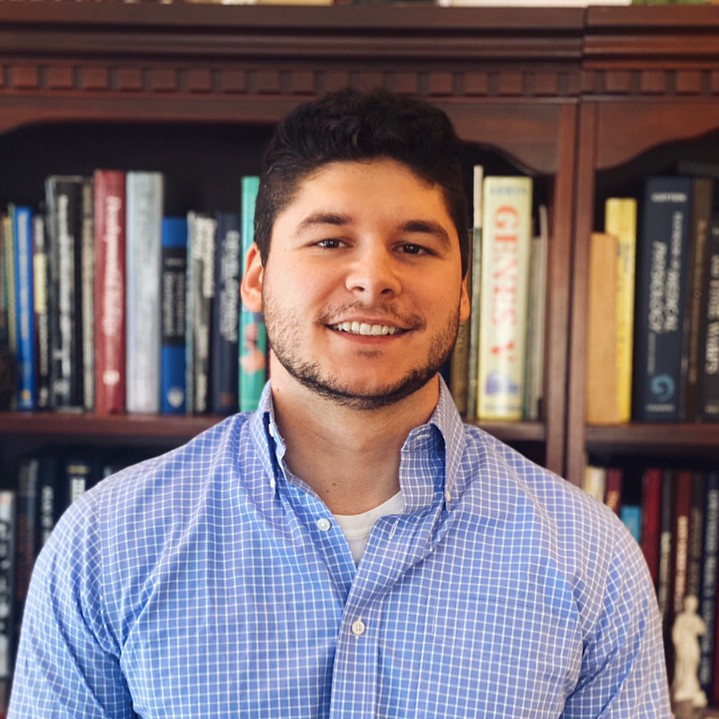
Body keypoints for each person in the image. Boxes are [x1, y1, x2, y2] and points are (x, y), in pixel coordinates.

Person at [9, 88, 671, 718]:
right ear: (256, 276)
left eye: (413, 247)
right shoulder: (106, 544)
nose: (372, 278)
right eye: (329, 240)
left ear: (465, 292)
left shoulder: (590, 557)